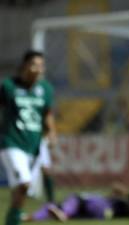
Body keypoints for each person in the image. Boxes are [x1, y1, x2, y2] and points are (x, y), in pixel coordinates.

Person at [0, 50, 57, 225]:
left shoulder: (45, 89)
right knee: (24, 183)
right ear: (25, 66)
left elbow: (47, 114)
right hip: (12, 143)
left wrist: (52, 132)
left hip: (33, 145)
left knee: (22, 190)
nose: (38, 69)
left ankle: (13, 219)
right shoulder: (9, 86)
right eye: (35, 65)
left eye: (41, 65)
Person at [22, 183, 129, 222]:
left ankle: (63, 214)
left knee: (74, 200)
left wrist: (123, 193)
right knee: (53, 207)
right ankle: (30, 217)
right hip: (96, 211)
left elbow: (117, 187)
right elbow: (117, 188)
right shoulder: (118, 204)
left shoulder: (120, 202)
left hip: (90, 204)